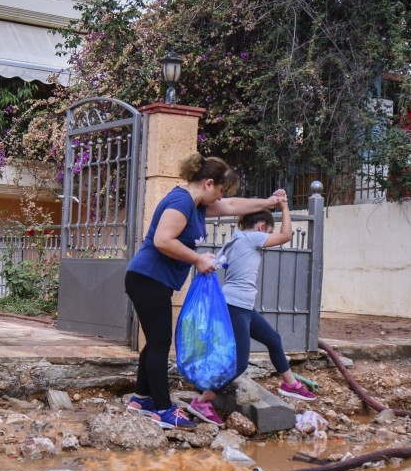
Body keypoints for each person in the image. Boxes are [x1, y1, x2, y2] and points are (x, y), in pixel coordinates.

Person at [124, 153, 286, 429]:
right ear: (209, 184)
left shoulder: (197, 205)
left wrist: (270, 202)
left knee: (155, 342)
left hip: (153, 280)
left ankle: (141, 398)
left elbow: (234, 205)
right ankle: (163, 410)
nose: (221, 198)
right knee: (160, 344)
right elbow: (163, 240)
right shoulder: (181, 201)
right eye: (220, 190)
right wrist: (197, 259)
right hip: (148, 278)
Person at [185, 198, 316, 427]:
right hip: (237, 306)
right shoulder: (252, 237)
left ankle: (290, 384)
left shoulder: (234, 241)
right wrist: (284, 207)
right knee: (240, 363)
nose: (267, 239)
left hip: (240, 306)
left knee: (273, 339)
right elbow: (286, 235)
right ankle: (204, 401)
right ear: (262, 227)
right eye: (268, 233)